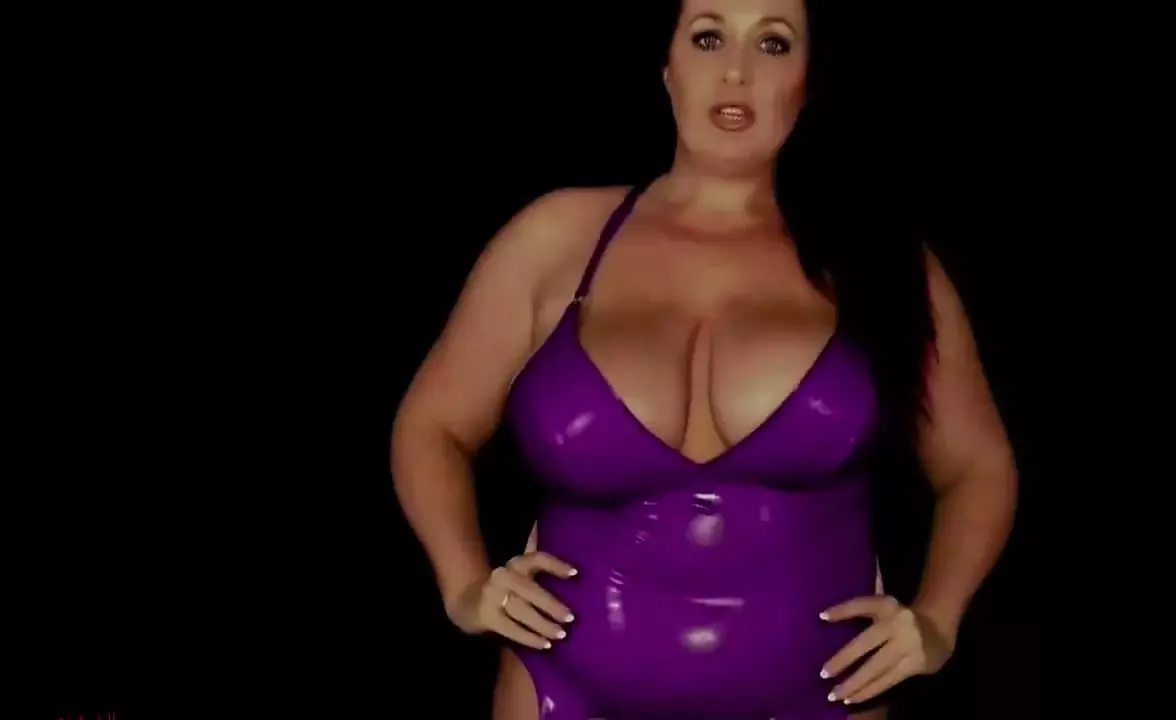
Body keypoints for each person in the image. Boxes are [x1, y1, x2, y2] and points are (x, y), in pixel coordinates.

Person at [392, 0, 1017, 717]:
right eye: (709, 36)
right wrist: (466, 586)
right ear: (668, 67)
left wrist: (936, 622)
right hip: (563, 694)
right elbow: (432, 424)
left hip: (818, 700)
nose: (735, 71)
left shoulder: (880, 263)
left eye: (773, 44)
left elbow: (978, 465)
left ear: (809, 80)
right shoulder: (555, 240)